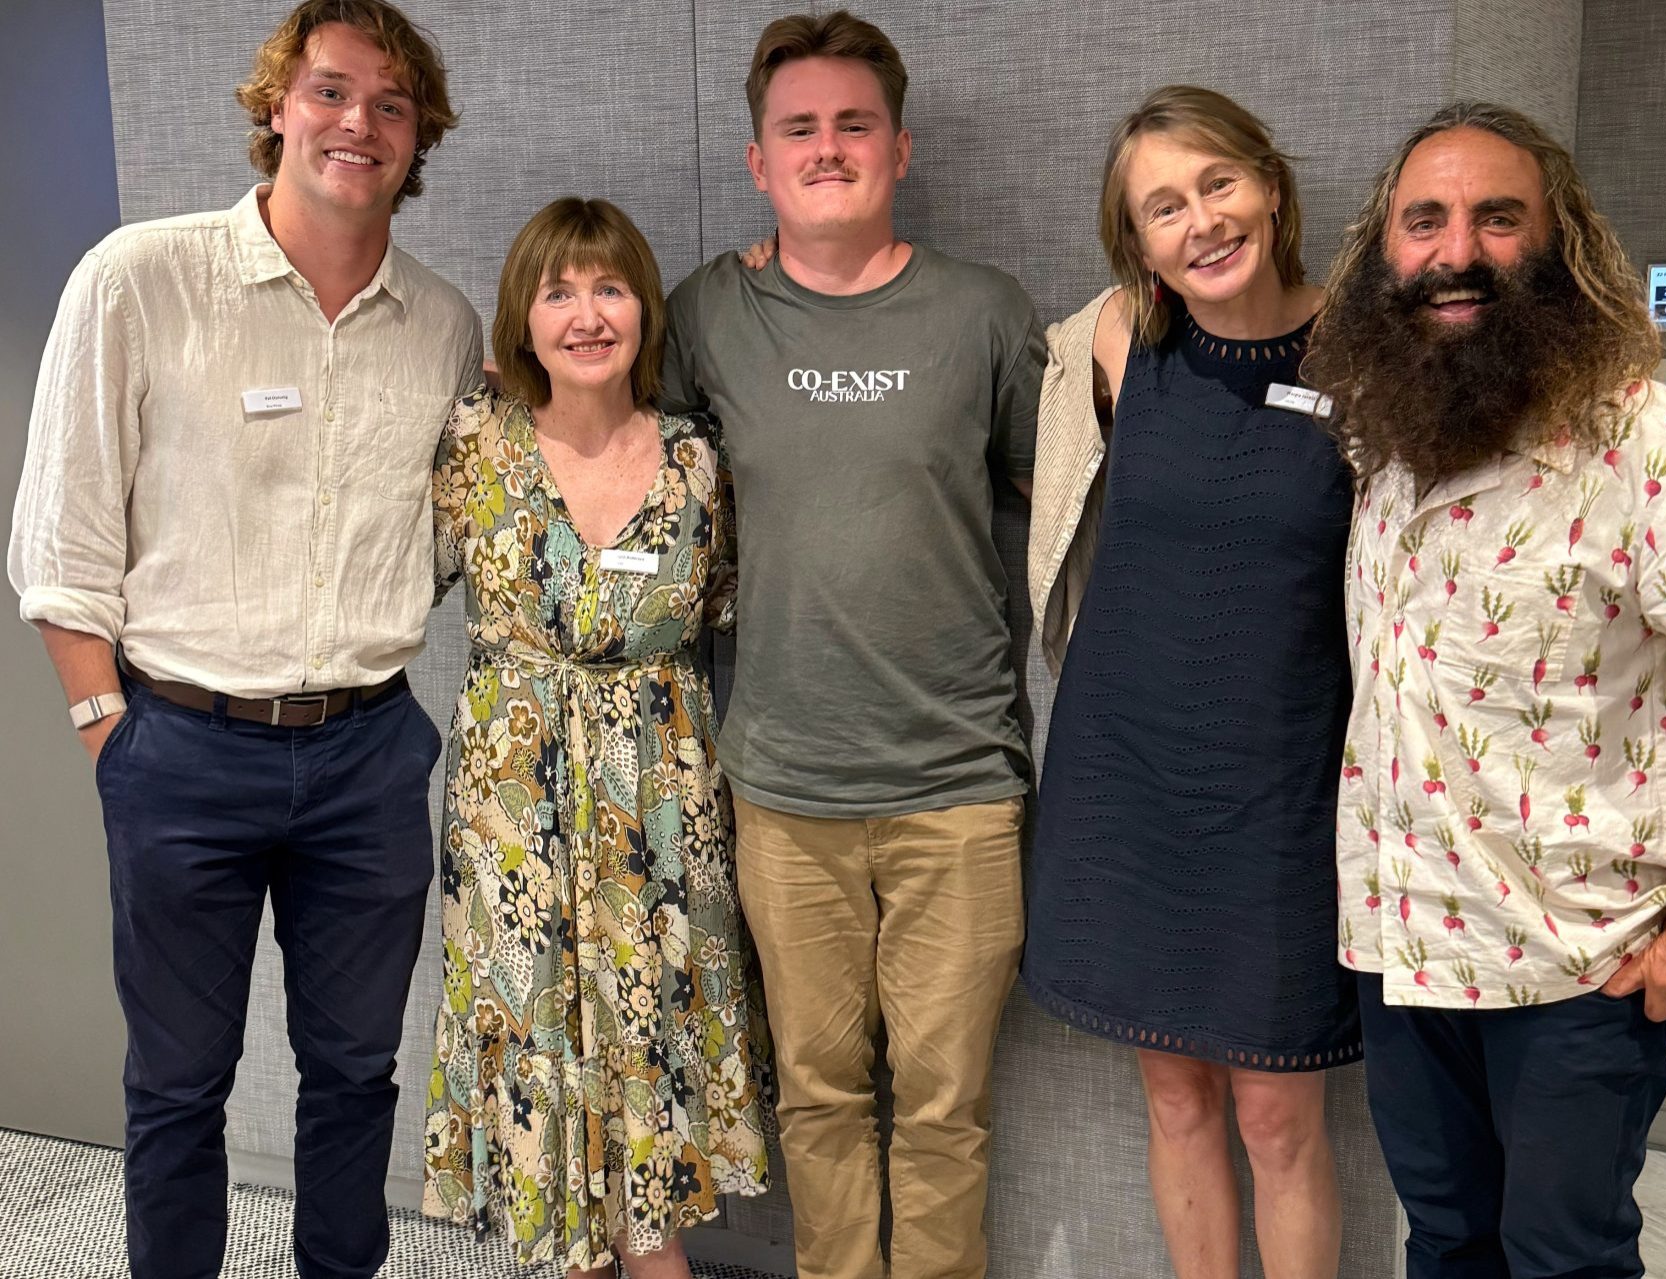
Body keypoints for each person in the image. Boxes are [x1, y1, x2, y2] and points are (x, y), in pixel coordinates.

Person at [1303, 101, 1666, 1279]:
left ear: (1559, 244)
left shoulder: (1650, 447)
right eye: (1424, 221)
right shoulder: (1388, 444)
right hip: (1402, 946)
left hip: (1577, 967)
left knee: (1561, 1258)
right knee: (1447, 1243)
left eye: (1497, 218)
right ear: (1384, 251)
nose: (1456, 250)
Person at [6, 3, 480, 1276]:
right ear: (278, 104)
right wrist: (108, 732)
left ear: (418, 136)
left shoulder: (442, 326)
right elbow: (59, 541)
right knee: (177, 1084)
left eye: (391, 105)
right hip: (179, 747)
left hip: (367, 755)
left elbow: (443, 542)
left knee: (357, 1072)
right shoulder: (139, 278)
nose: (358, 123)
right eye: (331, 90)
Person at [660, 11, 1044, 1279]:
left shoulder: (983, 313)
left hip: (959, 786)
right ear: (759, 160)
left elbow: (1056, 500)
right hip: (781, 788)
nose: (827, 148)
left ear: (899, 147)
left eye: (853, 124)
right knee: (817, 1098)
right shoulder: (708, 312)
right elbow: (634, 477)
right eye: (799, 129)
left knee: (945, 1108)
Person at [1022, 86, 1358, 1279]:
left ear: (1268, 184)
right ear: (1136, 238)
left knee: (1277, 1114)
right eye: (1163, 206)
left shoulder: (1366, 350)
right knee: (1174, 1097)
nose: (1201, 221)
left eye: (1218, 184)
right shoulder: (1114, 340)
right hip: (1127, 774)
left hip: (1283, 789)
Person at [420, 197, 773, 1278]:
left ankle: (650, 1251)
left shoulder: (699, 461)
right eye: (558, 292)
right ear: (520, 319)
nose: (586, 315)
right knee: (541, 1043)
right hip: (514, 816)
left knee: (649, 1036)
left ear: (645, 309)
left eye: (609, 287)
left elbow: (740, 602)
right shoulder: (473, 444)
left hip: (658, 809)